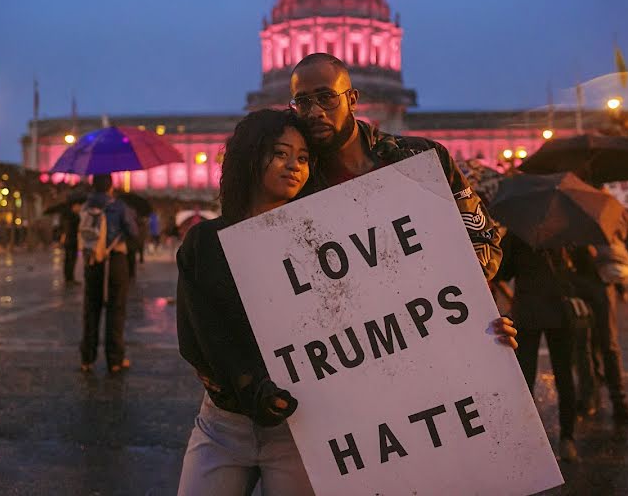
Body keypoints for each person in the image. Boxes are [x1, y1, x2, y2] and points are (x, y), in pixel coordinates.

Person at [176, 110, 517, 495]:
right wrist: (251, 385)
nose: (294, 167)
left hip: (305, 426)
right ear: (250, 156)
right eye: (280, 154)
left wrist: (475, 329)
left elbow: (395, 315)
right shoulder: (206, 243)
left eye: (303, 158)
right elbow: (202, 335)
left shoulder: (331, 245)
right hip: (225, 423)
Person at [288, 53, 503, 280]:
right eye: (303, 102)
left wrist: (468, 297)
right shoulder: (294, 183)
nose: (315, 112)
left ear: (352, 100)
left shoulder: (422, 158)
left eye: (326, 97)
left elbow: (482, 239)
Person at [496, 234, 579, 462]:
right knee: (564, 377)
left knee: (525, 379)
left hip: (528, 313)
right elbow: (580, 272)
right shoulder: (566, 231)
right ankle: (567, 440)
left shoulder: (518, 233)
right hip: (558, 313)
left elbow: (501, 271)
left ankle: (528, 442)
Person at [570, 241, 628, 426]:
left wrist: (620, 285)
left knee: (607, 345)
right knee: (584, 347)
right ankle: (590, 396)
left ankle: (618, 401)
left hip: (599, 287)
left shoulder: (599, 221)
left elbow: (614, 253)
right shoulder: (570, 223)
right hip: (578, 288)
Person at [79, 174, 139, 374]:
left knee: (91, 309)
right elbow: (133, 233)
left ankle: (87, 358)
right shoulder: (118, 206)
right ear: (111, 186)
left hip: (92, 262)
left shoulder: (86, 206)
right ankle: (115, 359)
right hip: (114, 261)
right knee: (116, 309)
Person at [60, 200, 81, 285]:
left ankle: (69, 278)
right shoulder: (73, 216)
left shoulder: (69, 215)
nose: (79, 208)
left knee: (69, 259)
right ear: (74, 206)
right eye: (78, 206)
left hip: (71, 240)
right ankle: (69, 279)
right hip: (71, 240)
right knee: (70, 260)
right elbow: (67, 228)